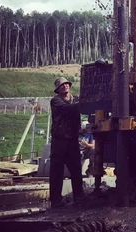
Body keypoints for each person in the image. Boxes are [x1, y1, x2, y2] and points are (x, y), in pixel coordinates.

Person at [49, 77, 84, 207]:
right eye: (61, 85)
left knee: (76, 169)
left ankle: (79, 197)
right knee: (57, 171)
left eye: (66, 84)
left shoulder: (75, 99)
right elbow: (68, 109)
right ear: (58, 90)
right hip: (60, 140)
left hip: (72, 139)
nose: (65, 86)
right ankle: (56, 200)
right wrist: (83, 104)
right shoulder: (56, 101)